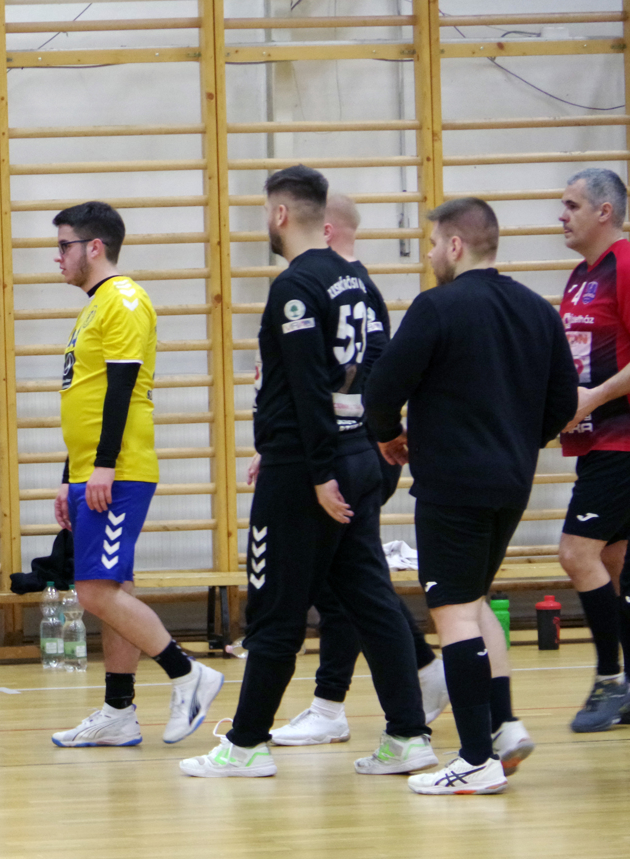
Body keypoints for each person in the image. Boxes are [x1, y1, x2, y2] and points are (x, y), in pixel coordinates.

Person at [181, 165, 430, 780]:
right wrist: (367, 441)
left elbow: (307, 387)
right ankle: (408, 736)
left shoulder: (295, 285)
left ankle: (245, 746)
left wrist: (317, 470)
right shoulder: (360, 282)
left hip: (308, 474)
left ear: (282, 214)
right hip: (356, 457)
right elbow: (378, 373)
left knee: (274, 609)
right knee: (370, 600)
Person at [366, 198, 577, 793]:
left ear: (455, 246)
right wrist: (519, 442)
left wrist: (387, 435)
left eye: (434, 243)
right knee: (473, 600)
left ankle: (475, 759)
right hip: (511, 482)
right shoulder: (537, 310)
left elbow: (382, 390)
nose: (431, 254)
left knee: (453, 611)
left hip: (453, 484)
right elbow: (563, 402)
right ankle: (503, 727)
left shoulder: (438, 306)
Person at [40, 201, 225, 750]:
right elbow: (86, 397)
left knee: (94, 591)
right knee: (113, 586)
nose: (58, 257)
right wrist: (70, 475)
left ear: (94, 247)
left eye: (64, 246)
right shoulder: (94, 307)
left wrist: (103, 467)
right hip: (92, 470)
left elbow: (121, 390)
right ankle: (119, 711)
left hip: (116, 471)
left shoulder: (123, 300)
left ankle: (188, 674)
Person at [269, 191, 448, 746]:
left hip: (349, 450)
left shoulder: (321, 286)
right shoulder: (360, 289)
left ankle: (335, 703)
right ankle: (412, 679)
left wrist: (320, 456)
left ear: (323, 229)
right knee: (353, 580)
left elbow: (332, 386)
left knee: (346, 584)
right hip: (354, 447)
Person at [554, 169, 630, 732]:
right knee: (611, 563)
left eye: (572, 205)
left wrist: (595, 397)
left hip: (622, 441)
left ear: (605, 211)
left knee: (576, 553)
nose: (562, 216)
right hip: (595, 441)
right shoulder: (582, 275)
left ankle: (609, 678)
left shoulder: (625, 265)